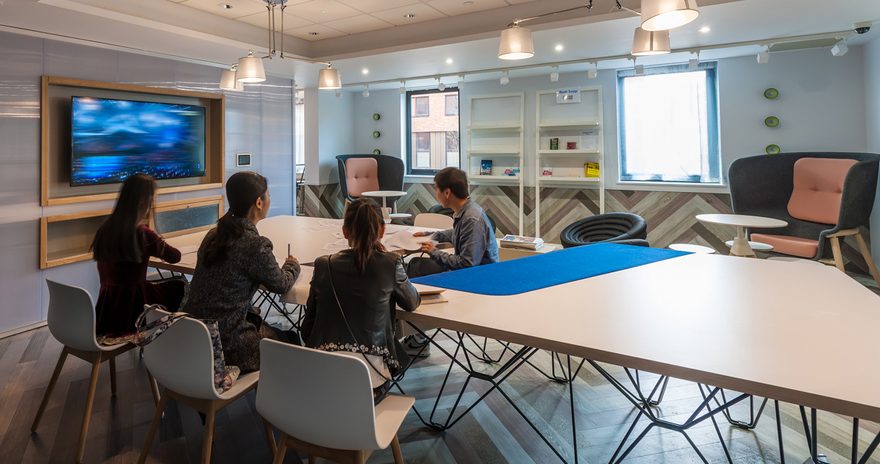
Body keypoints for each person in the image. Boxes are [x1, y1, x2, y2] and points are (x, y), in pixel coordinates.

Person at [301, 198, 420, 397]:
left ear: (345, 231)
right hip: (369, 382)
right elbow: (411, 302)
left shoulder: (324, 265)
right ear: (382, 231)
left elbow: (307, 329)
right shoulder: (390, 264)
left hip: (320, 377)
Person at [183, 171, 300, 373]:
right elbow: (281, 284)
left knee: (279, 335)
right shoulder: (254, 245)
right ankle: (279, 399)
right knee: (292, 342)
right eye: (268, 195)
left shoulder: (214, 235)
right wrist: (292, 266)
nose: (270, 199)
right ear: (259, 203)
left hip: (195, 337)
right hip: (229, 344)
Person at [403, 167, 499, 356]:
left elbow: (467, 264)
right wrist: (434, 235)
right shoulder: (467, 211)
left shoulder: (472, 218)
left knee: (415, 268)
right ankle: (419, 334)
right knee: (414, 266)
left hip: (479, 279)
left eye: (436, 189)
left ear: (447, 192)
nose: (436, 193)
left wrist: (434, 252)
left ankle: (420, 337)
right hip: (476, 272)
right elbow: (456, 234)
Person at [92, 174, 185, 338]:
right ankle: (174, 344)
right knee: (181, 287)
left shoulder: (104, 230)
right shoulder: (143, 235)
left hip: (107, 312)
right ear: (145, 201)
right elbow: (175, 256)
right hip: (135, 311)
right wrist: (156, 238)